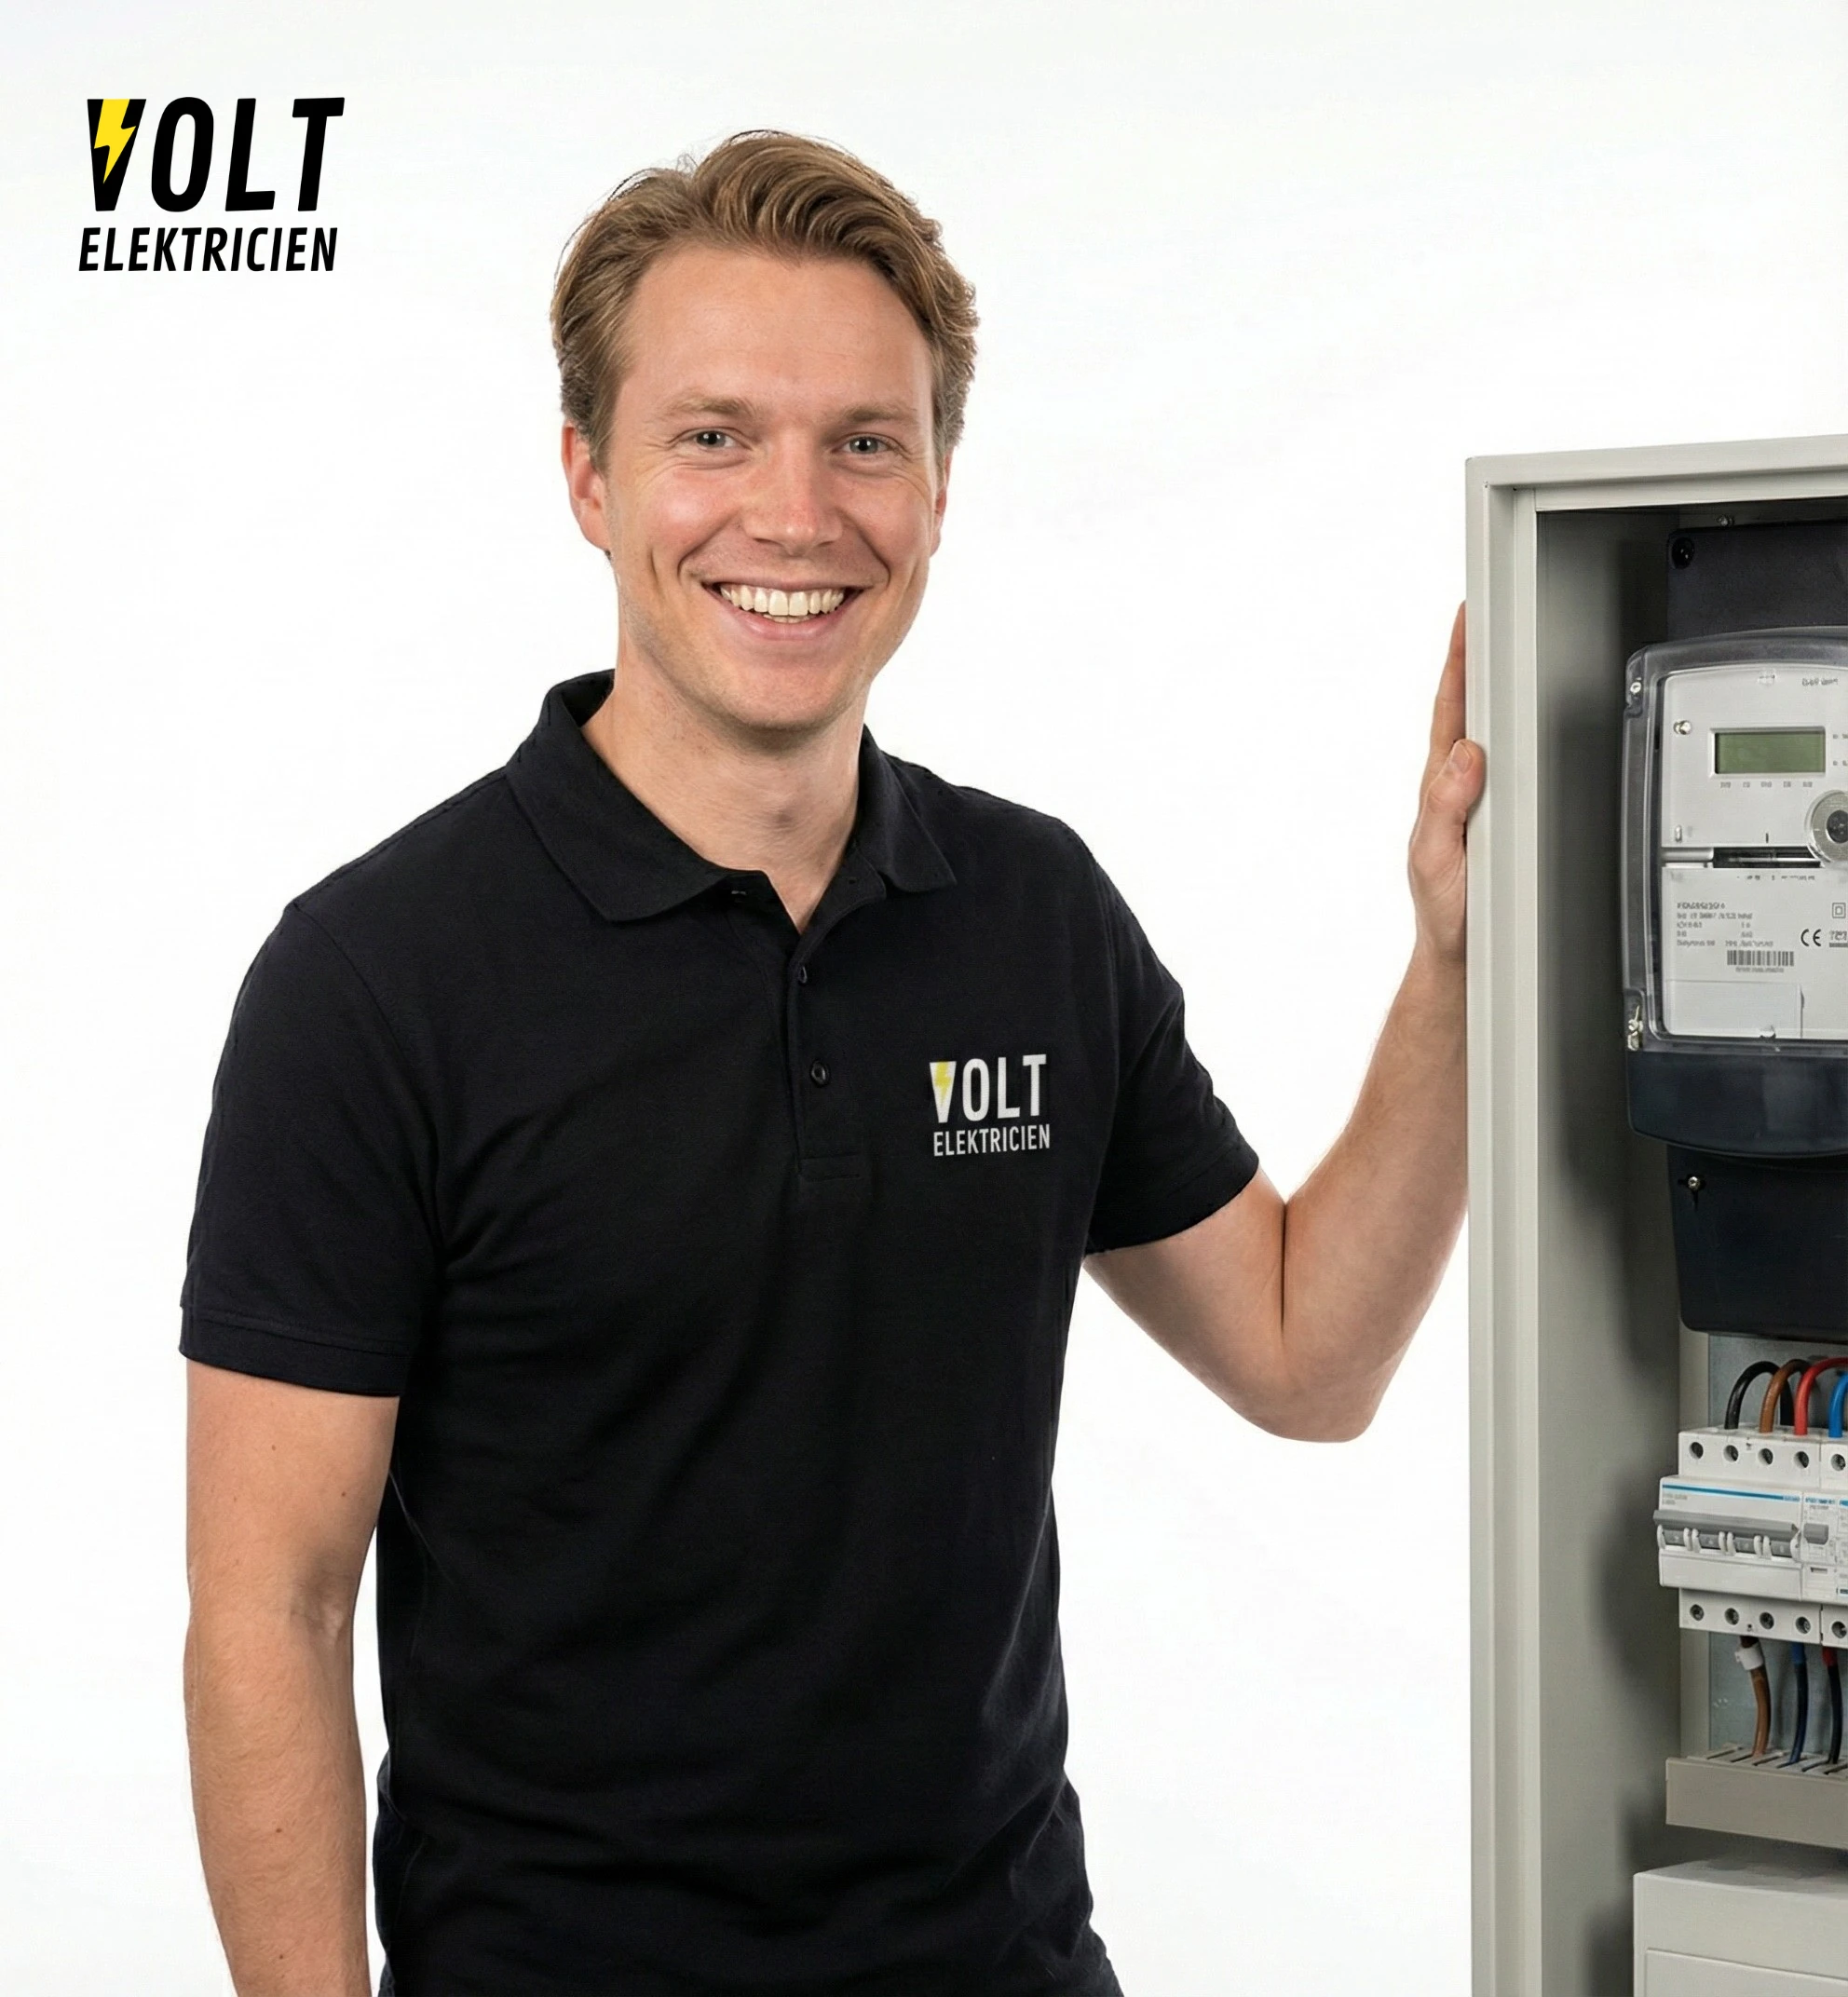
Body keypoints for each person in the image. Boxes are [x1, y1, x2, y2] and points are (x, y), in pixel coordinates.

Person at [180, 129, 1483, 1997]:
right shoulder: (374, 979)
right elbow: (271, 1611)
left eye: (865, 442)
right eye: (714, 435)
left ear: (937, 488)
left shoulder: (1032, 915)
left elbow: (1305, 1354)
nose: (794, 515)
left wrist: (1457, 960)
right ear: (589, 476)